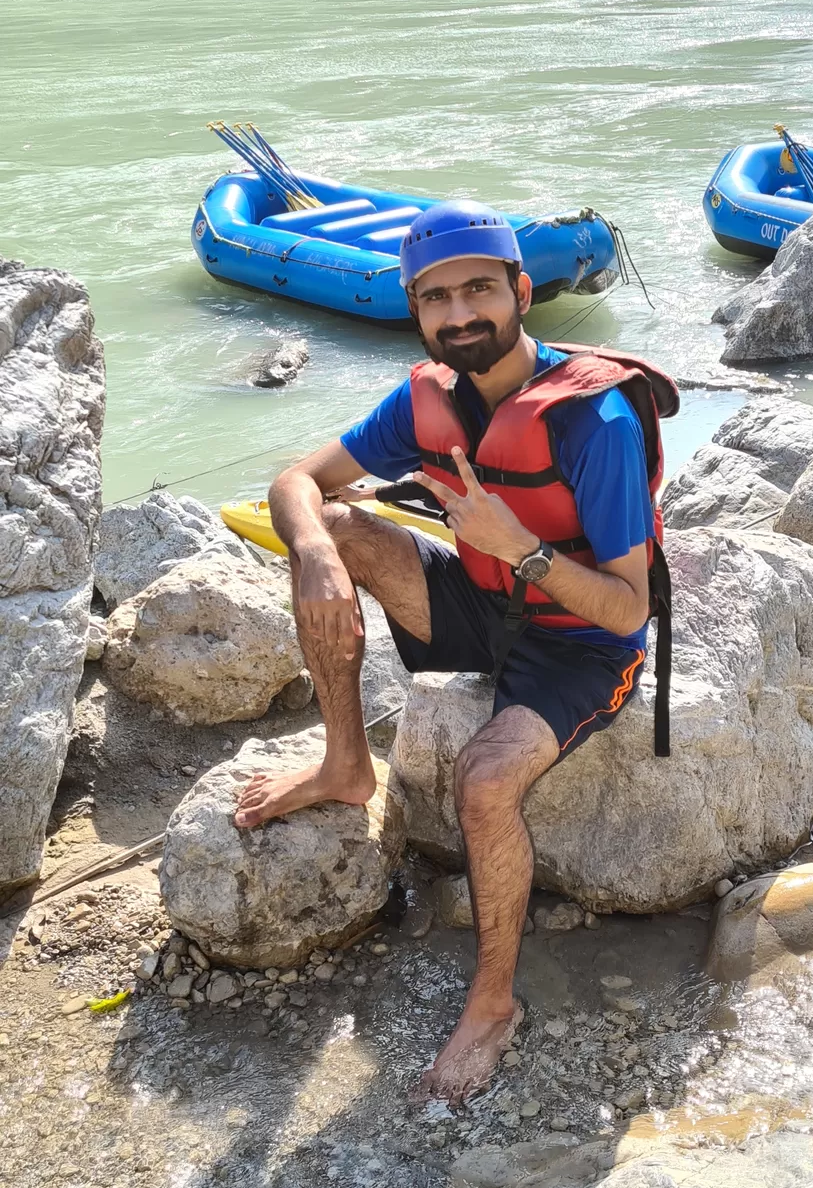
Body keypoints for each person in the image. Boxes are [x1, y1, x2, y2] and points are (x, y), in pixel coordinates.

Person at [234, 200, 662, 1106]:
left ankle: (495, 1001)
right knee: (341, 532)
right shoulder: (428, 394)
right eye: (436, 297)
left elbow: (628, 610)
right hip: (481, 604)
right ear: (416, 310)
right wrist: (313, 553)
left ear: (523, 289)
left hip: (580, 641)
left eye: (478, 288)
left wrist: (524, 550)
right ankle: (348, 764)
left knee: (482, 778)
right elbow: (295, 481)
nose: (460, 312)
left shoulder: (596, 423)